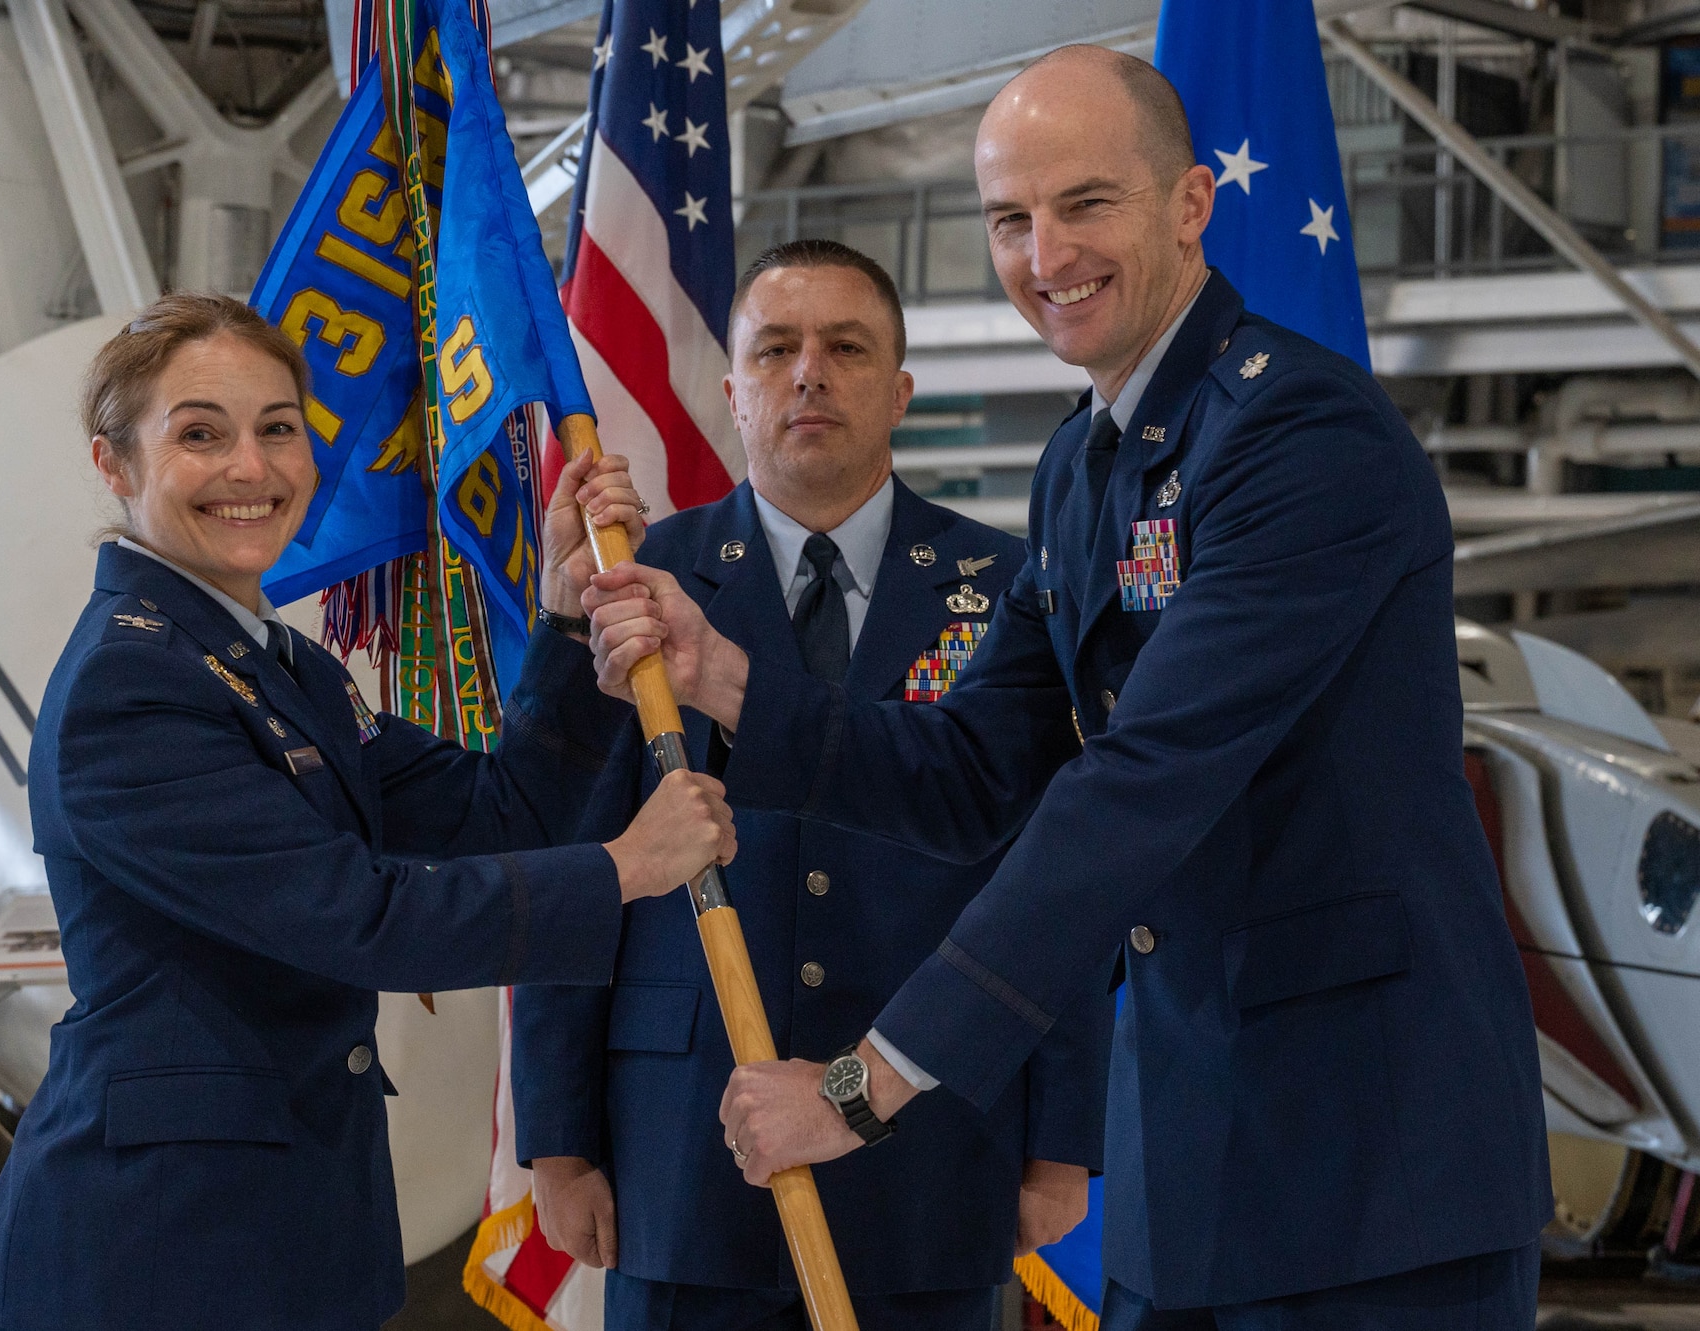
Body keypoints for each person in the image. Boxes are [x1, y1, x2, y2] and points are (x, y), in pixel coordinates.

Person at [582, 47, 1549, 1331]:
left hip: (1371, 1166)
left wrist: (865, 1082)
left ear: (1190, 203)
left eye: (1084, 203)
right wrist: (730, 680)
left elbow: (1140, 783)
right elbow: (982, 767)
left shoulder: (1300, 437)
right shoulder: (1083, 467)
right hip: (1189, 1161)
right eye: (1007, 217)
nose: (1044, 253)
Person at [0, 292, 737, 1331]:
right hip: (155, 1246)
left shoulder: (275, 667)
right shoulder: (132, 685)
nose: (251, 466)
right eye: (199, 433)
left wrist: (564, 614)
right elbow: (358, 918)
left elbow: (496, 813)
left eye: (276, 428)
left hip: (287, 1226)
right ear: (115, 464)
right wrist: (625, 867)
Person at [511, 241, 1113, 1331]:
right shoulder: (639, 584)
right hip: (681, 1145)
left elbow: (1059, 870)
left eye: (845, 347)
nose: (808, 373)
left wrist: (1060, 1132)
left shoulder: (1008, 591)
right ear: (732, 390)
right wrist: (557, 1135)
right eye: (776, 349)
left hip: (931, 1145)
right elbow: (569, 861)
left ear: (897, 391)